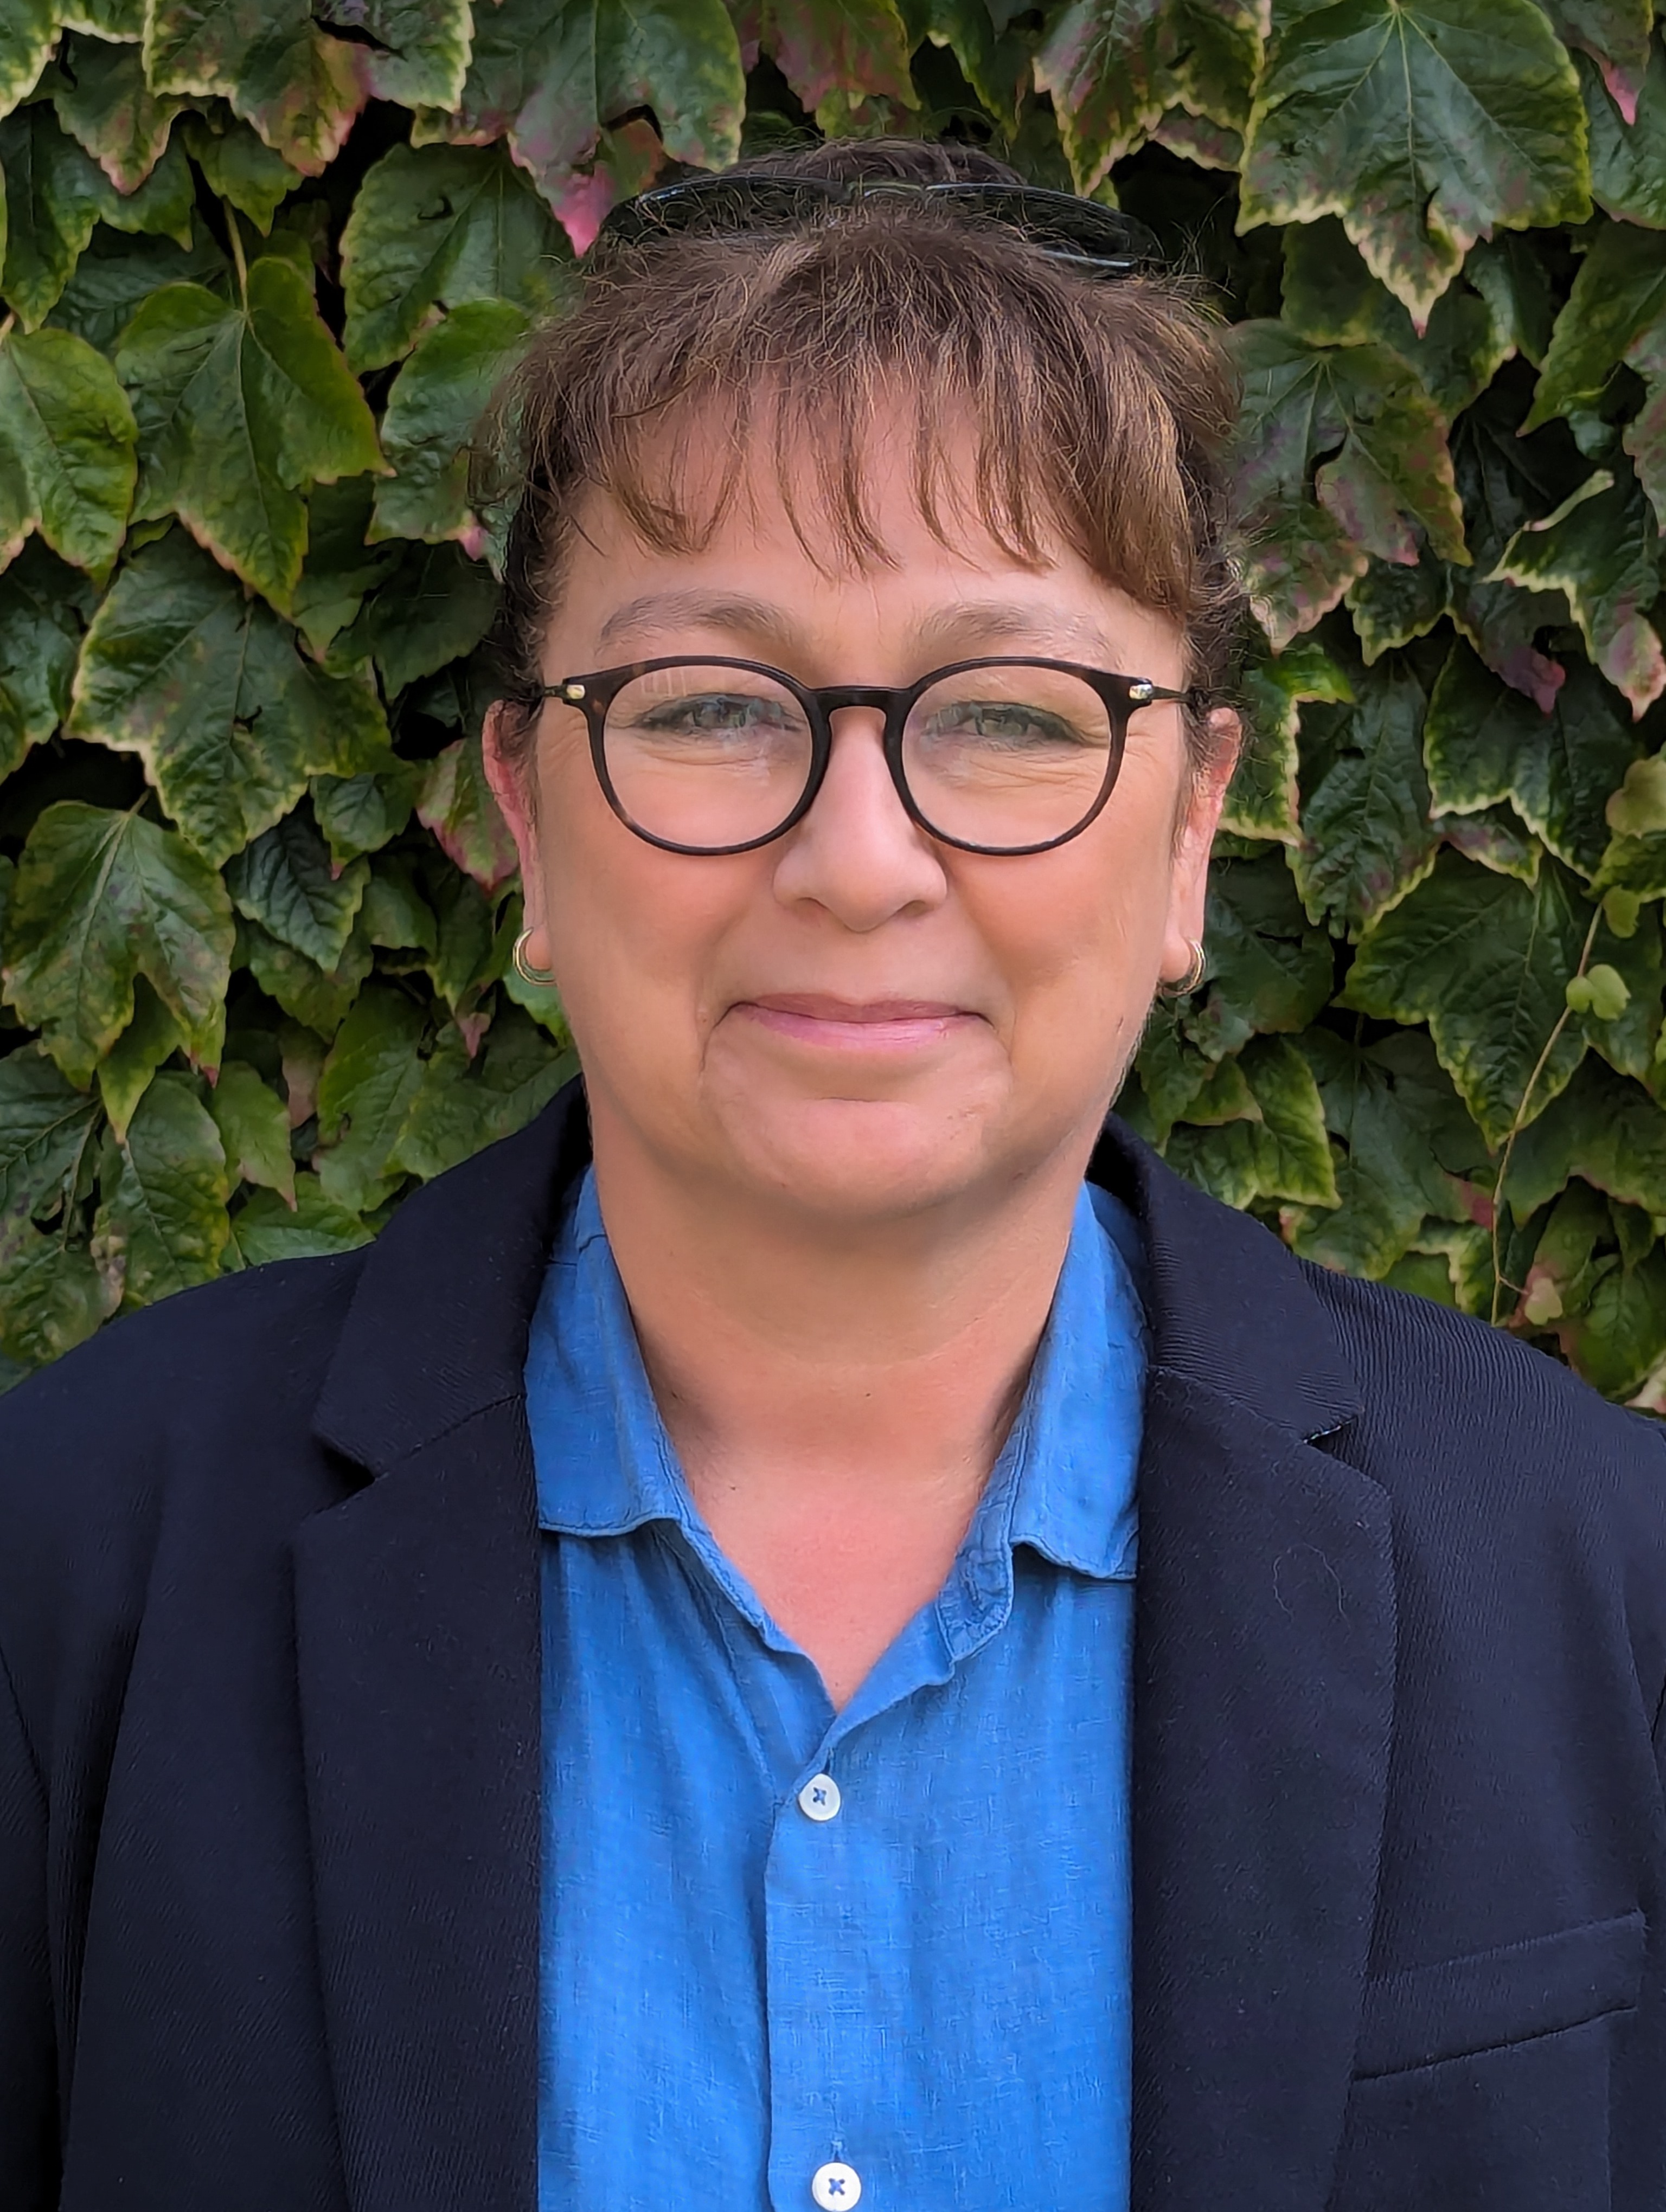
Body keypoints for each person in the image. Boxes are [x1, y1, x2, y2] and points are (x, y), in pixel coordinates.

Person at [1, 135, 1662, 2212]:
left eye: (1012, 716)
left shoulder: (1598, 1573)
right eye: (709, 704)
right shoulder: (70, 1564)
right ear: (525, 817)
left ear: (1192, 829)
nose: (860, 862)